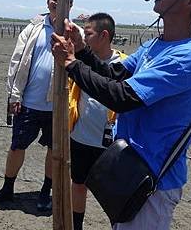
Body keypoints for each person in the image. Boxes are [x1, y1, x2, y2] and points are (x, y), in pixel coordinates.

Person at [52, 0, 191, 230]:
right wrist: (82, 50)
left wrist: (71, 64)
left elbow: (121, 97)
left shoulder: (189, 56)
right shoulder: (156, 44)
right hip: (129, 167)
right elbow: (115, 74)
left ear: (190, 1)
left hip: (152, 179)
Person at [0, 0, 79, 211]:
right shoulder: (33, 29)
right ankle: (7, 189)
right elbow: (17, 62)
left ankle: (46, 192)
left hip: (58, 105)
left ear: (70, 4)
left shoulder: (74, 32)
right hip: (28, 102)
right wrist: (14, 95)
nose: (57, 2)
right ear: (47, 1)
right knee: (17, 146)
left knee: (53, 151)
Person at [68, 13, 126, 230]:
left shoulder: (123, 65)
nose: (84, 36)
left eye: (88, 33)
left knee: (111, 190)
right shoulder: (81, 58)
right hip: (80, 135)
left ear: (104, 35)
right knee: (78, 183)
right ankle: (77, 225)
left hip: (110, 143)